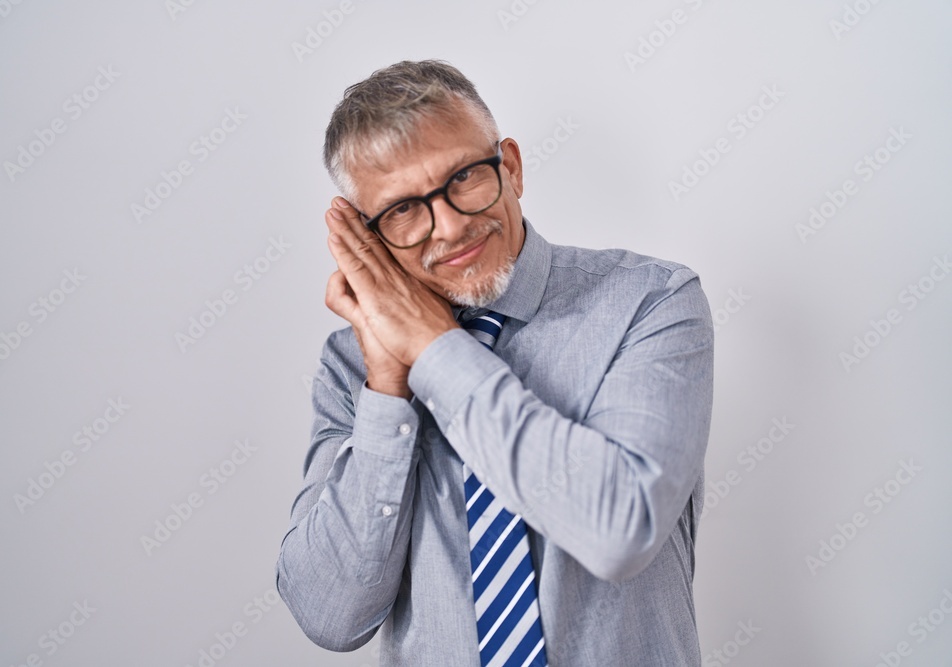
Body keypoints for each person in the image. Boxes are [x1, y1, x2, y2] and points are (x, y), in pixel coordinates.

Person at [276, 59, 715, 666]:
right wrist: (388, 390)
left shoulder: (650, 301)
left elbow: (621, 529)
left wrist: (436, 349)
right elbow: (329, 615)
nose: (450, 227)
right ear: (370, 236)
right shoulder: (352, 366)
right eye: (403, 209)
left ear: (509, 166)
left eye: (464, 177)